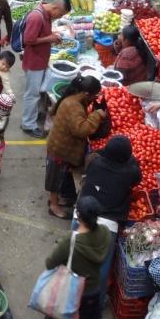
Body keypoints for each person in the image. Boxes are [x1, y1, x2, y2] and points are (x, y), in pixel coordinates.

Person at [35, 195, 114, 319]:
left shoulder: (71, 241)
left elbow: (50, 263)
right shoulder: (105, 233)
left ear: (78, 215)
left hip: (70, 290)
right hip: (92, 291)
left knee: (53, 315)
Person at [45, 75, 107, 218]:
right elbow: (81, 130)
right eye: (94, 95)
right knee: (55, 177)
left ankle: (59, 199)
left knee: (61, 175)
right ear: (86, 94)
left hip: (62, 144)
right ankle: (54, 205)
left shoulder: (74, 99)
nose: (95, 98)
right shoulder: (74, 106)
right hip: (60, 148)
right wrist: (97, 115)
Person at [20, 0, 69, 137]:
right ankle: (28, 125)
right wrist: (49, 38)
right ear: (55, 8)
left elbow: (39, 34)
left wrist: (52, 35)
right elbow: (28, 39)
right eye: (60, 14)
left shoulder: (46, 15)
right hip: (34, 62)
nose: (59, 17)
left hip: (40, 60)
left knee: (36, 93)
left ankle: (33, 115)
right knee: (32, 94)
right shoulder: (36, 16)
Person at [80, 135, 144, 223]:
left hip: (85, 210)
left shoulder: (94, 162)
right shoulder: (131, 172)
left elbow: (98, 153)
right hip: (111, 216)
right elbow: (136, 181)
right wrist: (132, 160)